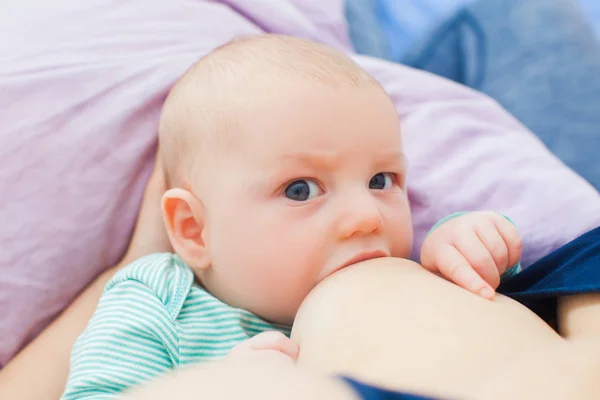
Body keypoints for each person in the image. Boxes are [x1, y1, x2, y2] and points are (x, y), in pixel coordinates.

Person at [61, 34, 521, 399]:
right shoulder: (160, 301)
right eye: (300, 190)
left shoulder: (406, 270)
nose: (366, 216)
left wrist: (470, 251)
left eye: (382, 180)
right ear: (194, 229)